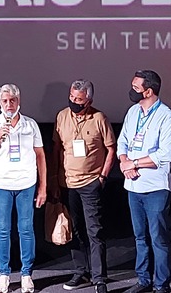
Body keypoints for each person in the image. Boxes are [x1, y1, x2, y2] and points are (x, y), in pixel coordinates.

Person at [0, 84, 46, 293]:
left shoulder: (30, 125)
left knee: (26, 229)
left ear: (19, 101)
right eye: (5, 101)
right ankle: (4, 274)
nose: (9, 105)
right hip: (1, 184)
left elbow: (40, 156)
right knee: (2, 229)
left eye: (12, 100)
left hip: (26, 184)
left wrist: (43, 187)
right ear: (0, 103)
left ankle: (26, 274)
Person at [117, 70, 171, 293]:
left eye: (136, 88)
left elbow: (165, 155)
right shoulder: (133, 112)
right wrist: (124, 162)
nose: (131, 91)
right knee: (139, 237)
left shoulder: (166, 117)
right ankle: (143, 280)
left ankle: (161, 285)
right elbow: (123, 141)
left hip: (156, 188)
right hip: (133, 186)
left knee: (158, 238)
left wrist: (133, 163)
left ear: (149, 91)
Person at [51, 80, 114, 293]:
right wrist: (54, 179)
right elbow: (57, 149)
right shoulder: (62, 116)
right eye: (71, 96)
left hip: (90, 183)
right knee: (75, 229)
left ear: (89, 101)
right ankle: (81, 272)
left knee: (94, 230)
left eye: (78, 99)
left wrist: (102, 177)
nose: (73, 101)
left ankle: (99, 278)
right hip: (67, 183)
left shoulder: (99, 118)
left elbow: (111, 149)